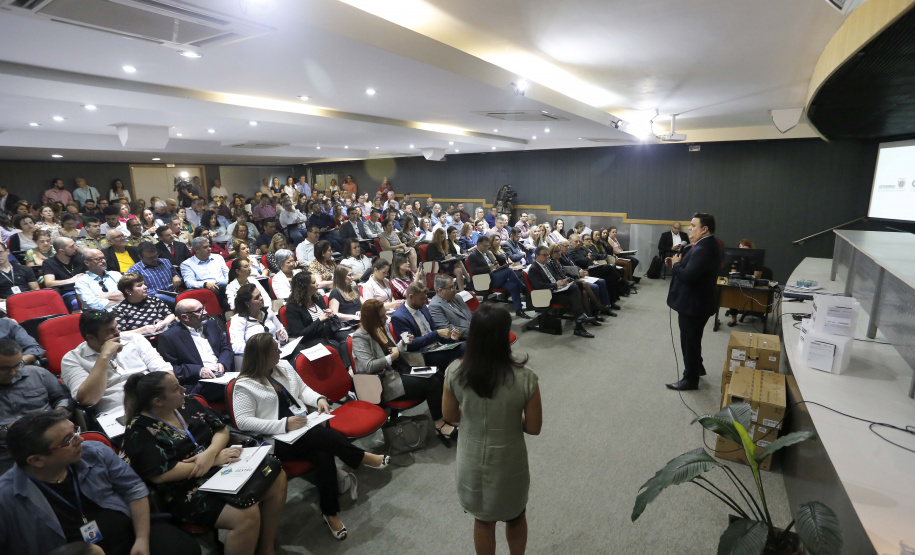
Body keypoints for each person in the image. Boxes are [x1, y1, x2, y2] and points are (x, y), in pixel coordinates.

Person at [231, 333, 389, 540]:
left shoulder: (284, 367)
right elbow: (243, 421)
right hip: (275, 439)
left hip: (302, 427)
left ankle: (329, 512)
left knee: (322, 453)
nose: (280, 352)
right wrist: (283, 424)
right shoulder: (244, 385)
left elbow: (303, 390)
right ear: (262, 356)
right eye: (275, 350)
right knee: (320, 438)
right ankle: (360, 457)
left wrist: (320, 399)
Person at [120, 373, 285, 555]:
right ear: (158, 401)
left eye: (179, 384)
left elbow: (221, 429)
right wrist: (214, 459)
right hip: (183, 487)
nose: (183, 390)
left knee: (276, 476)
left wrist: (211, 453)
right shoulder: (138, 429)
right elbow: (160, 475)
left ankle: (266, 549)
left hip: (218, 464)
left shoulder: (187, 403)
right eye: (175, 389)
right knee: (246, 514)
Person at [0, 410, 201, 555]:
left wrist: (141, 539)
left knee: (184, 548)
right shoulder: (7, 498)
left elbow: (134, 489)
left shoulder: (94, 452)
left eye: (75, 431)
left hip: (130, 533)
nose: (79, 440)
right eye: (68, 440)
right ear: (37, 460)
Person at [442, 303, 541, 555]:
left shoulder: (455, 372)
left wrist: (474, 414)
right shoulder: (525, 377)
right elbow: (533, 427)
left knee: (483, 520)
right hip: (509, 461)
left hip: (471, 460)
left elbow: (449, 416)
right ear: (504, 336)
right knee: (516, 516)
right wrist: (507, 417)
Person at [352, 299, 456, 439]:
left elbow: (395, 350)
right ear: (372, 318)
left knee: (437, 374)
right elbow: (369, 366)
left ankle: (446, 416)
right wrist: (392, 358)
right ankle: (439, 424)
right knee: (432, 382)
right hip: (384, 381)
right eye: (382, 316)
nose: (386, 318)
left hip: (399, 370)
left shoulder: (381, 328)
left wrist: (402, 343)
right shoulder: (360, 337)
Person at [61, 309, 173, 414]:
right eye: (109, 331)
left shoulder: (134, 339)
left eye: (116, 327)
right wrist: (104, 357)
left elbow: (166, 372)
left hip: (156, 401)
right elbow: (87, 399)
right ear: (90, 338)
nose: (117, 333)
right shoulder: (72, 359)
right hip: (118, 411)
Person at [665, 212, 723, 391]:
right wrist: (677, 264)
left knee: (689, 340)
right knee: (694, 337)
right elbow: (693, 270)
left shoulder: (703, 248)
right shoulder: (708, 244)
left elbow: (689, 276)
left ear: (704, 229)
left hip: (693, 305)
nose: (689, 228)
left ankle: (690, 379)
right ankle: (697, 367)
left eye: (693, 225)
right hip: (699, 302)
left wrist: (676, 265)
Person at [0, 339, 72, 473]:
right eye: (4, 368)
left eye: (17, 365)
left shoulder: (38, 373)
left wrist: (58, 414)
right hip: (6, 450)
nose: (13, 373)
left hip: (52, 441)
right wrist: (5, 430)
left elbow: (63, 398)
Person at [157, 299, 233, 398]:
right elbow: (170, 369)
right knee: (236, 389)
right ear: (185, 317)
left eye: (204, 308)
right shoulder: (169, 337)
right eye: (199, 311)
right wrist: (199, 370)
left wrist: (222, 362)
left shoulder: (211, 325)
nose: (205, 312)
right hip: (197, 383)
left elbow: (226, 347)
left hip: (223, 376)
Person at [391, 281, 465, 369]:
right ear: (411, 297)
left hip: (438, 347)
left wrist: (450, 337)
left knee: (469, 345)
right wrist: (437, 334)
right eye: (421, 298)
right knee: (466, 348)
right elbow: (410, 344)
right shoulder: (399, 317)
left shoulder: (423, 308)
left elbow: (434, 330)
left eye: (425, 298)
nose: (424, 301)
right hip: (423, 355)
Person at [285, 271, 351, 367]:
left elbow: (326, 319)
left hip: (328, 332)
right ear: (304, 287)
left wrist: (330, 315)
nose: (317, 284)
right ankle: (346, 371)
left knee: (348, 338)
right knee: (334, 347)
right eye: (313, 282)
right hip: (310, 339)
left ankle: (351, 368)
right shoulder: (293, 307)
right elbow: (299, 334)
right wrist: (320, 320)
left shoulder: (318, 298)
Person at [528, 246, 596, 338]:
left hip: (555, 290)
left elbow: (555, 276)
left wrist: (563, 282)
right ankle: (579, 323)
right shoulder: (534, 269)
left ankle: (580, 318)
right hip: (546, 295)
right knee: (574, 294)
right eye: (544, 255)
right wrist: (556, 285)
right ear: (537, 256)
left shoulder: (546, 265)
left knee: (577, 286)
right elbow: (539, 286)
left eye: (548, 255)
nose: (547, 257)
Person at [467, 236, 530, 319]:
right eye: (485, 246)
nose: (487, 248)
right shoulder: (473, 256)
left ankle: (519, 310)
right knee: (509, 271)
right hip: (485, 279)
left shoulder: (488, 253)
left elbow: (494, 264)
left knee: (513, 285)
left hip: (495, 276)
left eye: (488, 246)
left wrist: (497, 267)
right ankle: (524, 288)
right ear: (478, 244)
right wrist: (489, 268)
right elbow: (474, 270)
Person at [228, 284, 287, 355]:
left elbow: (282, 329)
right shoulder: (238, 320)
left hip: (279, 352)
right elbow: (237, 347)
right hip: (258, 359)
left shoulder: (268, 312)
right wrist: (261, 348)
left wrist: (282, 338)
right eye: (257, 297)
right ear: (247, 303)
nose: (261, 298)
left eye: (260, 295)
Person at [180, 237, 229, 306]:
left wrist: (228, 281)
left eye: (209, 246)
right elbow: (189, 282)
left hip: (225, 286)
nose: (209, 249)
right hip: (206, 290)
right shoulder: (187, 264)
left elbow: (227, 273)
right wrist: (205, 284)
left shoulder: (218, 258)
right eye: (205, 247)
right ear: (196, 250)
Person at [38, 238, 84, 310]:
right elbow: (49, 283)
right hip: (68, 293)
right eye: (72, 246)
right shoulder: (49, 263)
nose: (76, 247)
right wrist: (71, 280)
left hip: (85, 289)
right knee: (76, 302)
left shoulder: (80, 258)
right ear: (62, 251)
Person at [427, 274, 474, 339]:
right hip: (463, 338)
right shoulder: (434, 306)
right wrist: (474, 332)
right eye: (451, 288)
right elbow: (447, 329)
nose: (455, 290)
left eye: (455, 286)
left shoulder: (457, 297)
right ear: (441, 290)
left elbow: (470, 314)